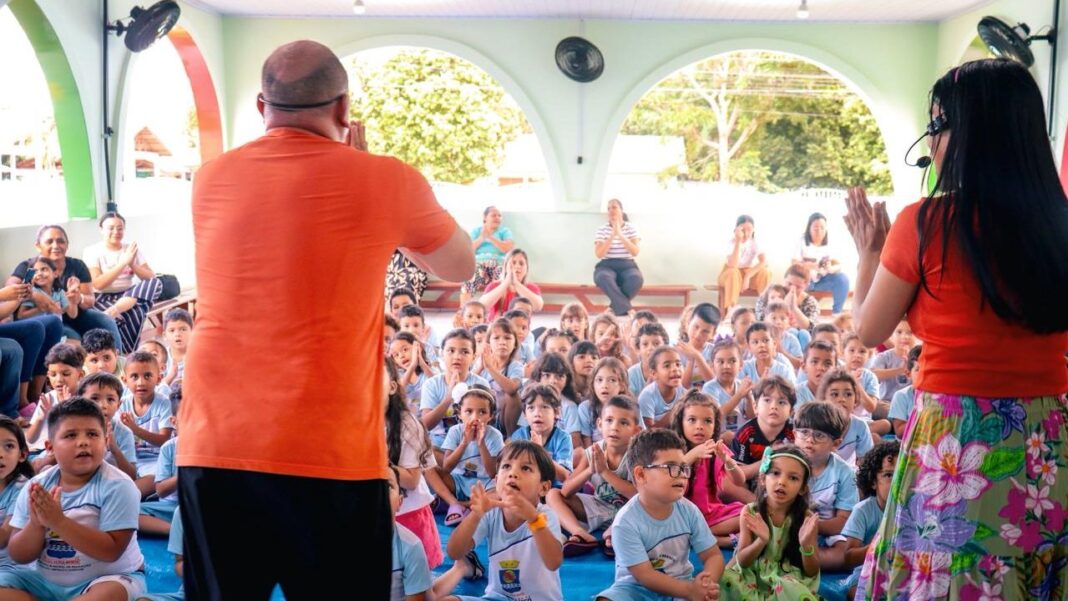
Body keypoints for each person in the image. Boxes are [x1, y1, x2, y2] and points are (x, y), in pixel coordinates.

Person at [179, 39, 474, 598]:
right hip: (330, 449)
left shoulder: (209, 178)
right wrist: (369, 170)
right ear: (343, 109)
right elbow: (460, 265)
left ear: (262, 108)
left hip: (216, 440)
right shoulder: (385, 178)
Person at [845, 59, 1068, 600]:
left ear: (976, 135)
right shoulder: (1060, 224)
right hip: (1046, 433)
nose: (931, 141)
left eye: (939, 124)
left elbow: (869, 330)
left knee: (946, 572)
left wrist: (869, 252)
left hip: (954, 437)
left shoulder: (925, 223)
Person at [1, 398, 145, 600]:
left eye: (92, 434)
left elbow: (111, 550)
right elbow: (19, 555)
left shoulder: (119, 485)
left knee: (109, 593)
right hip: (44, 582)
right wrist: (36, 525)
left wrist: (58, 522)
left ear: (105, 441)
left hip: (105, 578)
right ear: (50, 447)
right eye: (70, 435)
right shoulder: (36, 487)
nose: (83, 442)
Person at [595, 429, 724, 601]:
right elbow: (645, 575)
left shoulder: (689, 510)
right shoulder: (625, 522)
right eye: (670, 467)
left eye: (683, 468)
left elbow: (713, 555)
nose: (681, 474)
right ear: (641, 474)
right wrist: (689, 591)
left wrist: (705, 585)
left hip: (680, 584)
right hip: (636, 590)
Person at [442, 441, 564, 601]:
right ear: (496, 480)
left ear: (544, 488)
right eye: (506, 466)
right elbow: (454, 552)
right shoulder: (490, 514)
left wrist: (534, 520)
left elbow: (554, 562)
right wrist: (475, 515)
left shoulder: (544, 516)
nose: (513, 473)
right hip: (498, 597)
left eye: (525, 468)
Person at [719, 445, 820, 601]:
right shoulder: (750, 511)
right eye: (775, 473)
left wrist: (806, 546)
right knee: (723, 580)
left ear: (802, 489)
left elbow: (811, 571)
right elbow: (743, 561)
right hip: (753, 575)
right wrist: (761, 541)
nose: (782, 482)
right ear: (762, 479)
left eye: (793, 478)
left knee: (791, 588)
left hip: (787, 577)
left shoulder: (806, 518)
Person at [5, 225, 122, 345]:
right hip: (43, 319)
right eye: (49, 242)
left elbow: (89, 300)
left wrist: (78, 298)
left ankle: (117, 356)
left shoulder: (77, 265)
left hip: (74, 314)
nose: (56, 246)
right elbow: (9, 290)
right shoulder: (29, 266)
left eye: (60, 241)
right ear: (38, 246)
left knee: (105, 320)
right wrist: (36, 295)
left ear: (67, 245)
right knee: (73, 337)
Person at [82, 212, 164, 353]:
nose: (116, 232)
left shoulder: (130, 249)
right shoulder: (92, 251)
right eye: (111, 228)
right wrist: (123, 263)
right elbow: (98, 284)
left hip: (128, 296)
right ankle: (126, 352)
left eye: (120, 228)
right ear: (101, 229)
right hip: (102, 298)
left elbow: (150, 277)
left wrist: (132, 264)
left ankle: (115, 310)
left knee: (156, 283)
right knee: (134, 312)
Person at [593, 199, 643, 316]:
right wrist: (612, 235)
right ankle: (627, 308)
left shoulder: (631, 228)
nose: (611, 210)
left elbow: (635, 251)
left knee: (636, 278)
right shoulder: (602, 230)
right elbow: (599, 254)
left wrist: (619, 234)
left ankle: (613, 308)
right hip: (606, 265)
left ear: (621, 210)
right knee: (603, 277)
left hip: (627, 265)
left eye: (614, 207)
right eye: (608, 208)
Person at [794, 212, 850, 314]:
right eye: (815, 228)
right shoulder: (802, 241)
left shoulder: (831, 243)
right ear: (809, 228)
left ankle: (836, 313)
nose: (819, 231)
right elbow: (794, 263)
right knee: (796, 283)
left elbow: (839, 265)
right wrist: (810, 266)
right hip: (805, 281)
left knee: (842, 279)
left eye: (822, 228)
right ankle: (800, 313)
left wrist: (831, 269)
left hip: (823, 281)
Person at [718, 215, 772, 315]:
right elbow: (733, 264)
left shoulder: (755, 242)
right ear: (737, 230)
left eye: (749, 230)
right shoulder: (732, 242)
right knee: (733, 272)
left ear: (753, 230)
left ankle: (765, 308)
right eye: (743, 230)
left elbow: (764, 262)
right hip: (729, 275)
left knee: (765, 272)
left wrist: (748, 275)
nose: (746, 234)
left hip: (747, 273)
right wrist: (738, 241)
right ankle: (731, 311)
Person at [463, 206, 515, 304]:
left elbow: (507, 248)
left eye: (499, 216)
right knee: (471, 280)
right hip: (479, 264)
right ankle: (463, 310)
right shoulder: (476, 231)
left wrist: (490, 237)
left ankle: (498, 310)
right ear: (485, 217)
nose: (497, 218)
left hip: (498, 263)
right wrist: (482, 237)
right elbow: (469, 249)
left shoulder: (504, 231)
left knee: (501, 281)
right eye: (493, 215)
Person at [479, 249, 542, 321]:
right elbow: (482, 306)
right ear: (505, 267)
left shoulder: (531, 288)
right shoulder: (494, 286)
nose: (517, 266)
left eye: (521, 263)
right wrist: (506, 283)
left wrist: (516, 283)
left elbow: (538, 306)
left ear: (526, 269)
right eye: (513, 263)